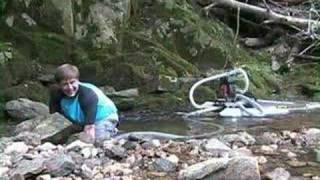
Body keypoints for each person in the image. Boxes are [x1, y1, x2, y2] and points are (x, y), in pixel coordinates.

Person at [49, 64, 119, 142]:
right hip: (80, 119)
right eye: (65, 84)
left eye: (72, 82)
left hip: (103, 118)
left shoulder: (88, 95)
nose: (70, 88)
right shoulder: (55, 93)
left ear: (78, 81)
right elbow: (54, 117)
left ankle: (111, 131)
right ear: (59, 85)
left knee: (97, 142)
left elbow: (89, 128)